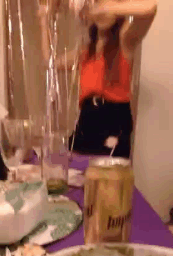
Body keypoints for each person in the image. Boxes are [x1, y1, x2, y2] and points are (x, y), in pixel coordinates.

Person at [38, 0, 157, 158]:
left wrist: (106, 8)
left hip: (113, 123)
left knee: (106, 179)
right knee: (76, 177)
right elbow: (50, 63)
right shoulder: (86, 52)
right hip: (86, 122)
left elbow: (150, 7)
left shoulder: (125, 40)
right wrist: (43, 20)